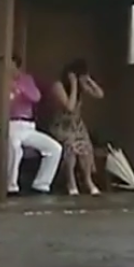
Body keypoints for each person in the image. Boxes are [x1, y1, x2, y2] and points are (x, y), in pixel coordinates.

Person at [7, 54, 62, 195]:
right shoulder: (2, 81)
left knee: (54, 148)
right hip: (11, 124)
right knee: (14, 147)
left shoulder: (26, 79)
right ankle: (11, 186)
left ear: (16, 66)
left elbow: (36, 97)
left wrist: (19, 88)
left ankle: (41, 184)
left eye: (11, 64)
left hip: (28, 126)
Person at [49, 58, 104, 195]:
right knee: (71, 147)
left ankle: (88, 180)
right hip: (62, 127)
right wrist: (73, 85)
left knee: (85, 146)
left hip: (77, 127)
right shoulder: (58, 86)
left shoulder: (82, 86)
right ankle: (71, 181)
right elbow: (70, 107)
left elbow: (100, 95)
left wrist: (89, 81)